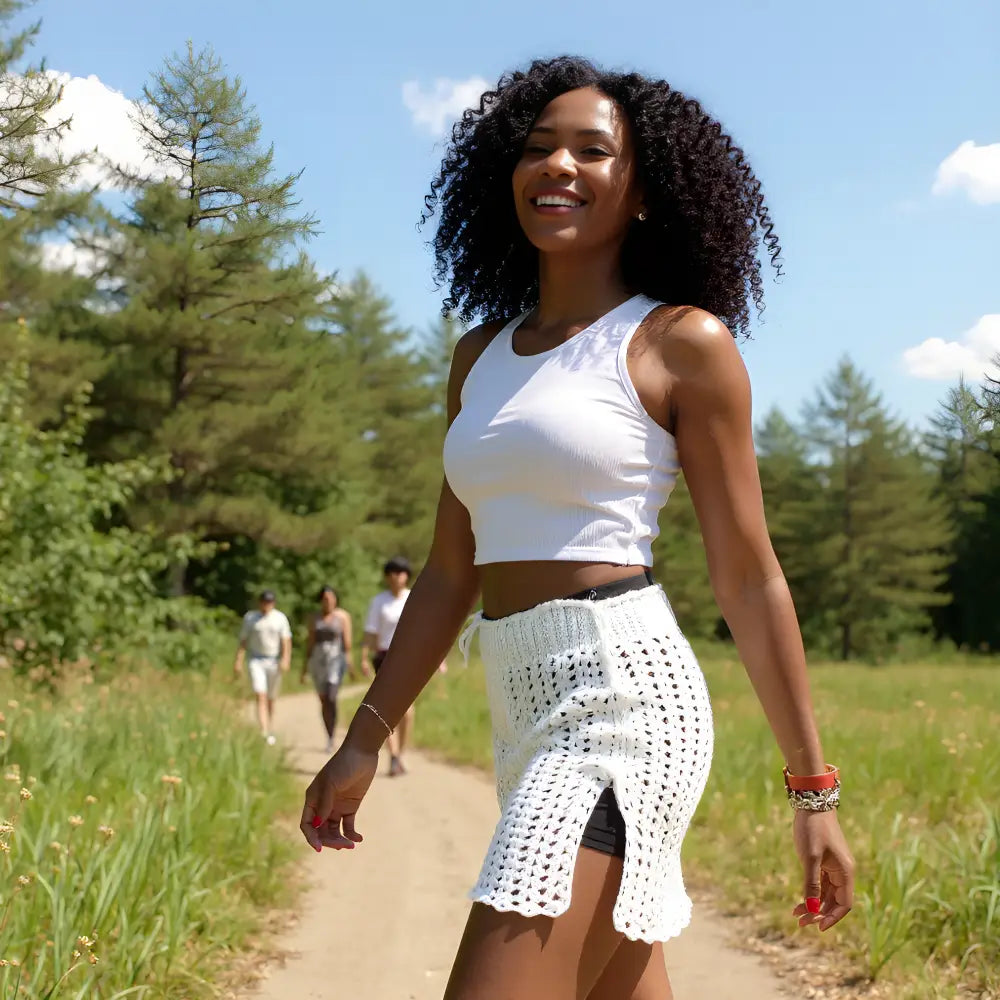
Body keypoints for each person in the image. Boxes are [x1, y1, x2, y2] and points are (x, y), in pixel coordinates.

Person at [302, 56, 854, 1000]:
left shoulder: (681, 344)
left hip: (623, 704)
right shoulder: (480, 355)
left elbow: (749, 576)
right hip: (520, 708)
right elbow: (447, 572)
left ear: (643, 192)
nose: (557, 165)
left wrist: (813, 792)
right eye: (538, 148)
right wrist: (364, 735)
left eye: (593, 151)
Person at [360, 556, 447, 776]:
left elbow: (428, 629)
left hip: (410, 656)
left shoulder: (414, 598)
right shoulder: (379, 602)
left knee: (407, 711)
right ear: (387, 576)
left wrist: (439, 658)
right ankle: (393, 755)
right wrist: (363, 657)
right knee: (387, 710)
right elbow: (371, 633)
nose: (396, 577)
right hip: (385, 657)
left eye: (400, 573)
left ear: (407, 576)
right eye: (392, 573)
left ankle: (401, 753)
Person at [233, 589, 292, 745]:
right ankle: (263, 730)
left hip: (273, 661)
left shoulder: (279, 618)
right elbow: (243, 641)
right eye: (265, 602)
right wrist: (238, 660)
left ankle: (269, 726)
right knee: (260, 694)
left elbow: (286, 640)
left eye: (270, 602)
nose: (267, 605)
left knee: (271, 698)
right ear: (260, 603)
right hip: (256, 660)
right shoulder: (251, 618)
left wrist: (286, 659)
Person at [301, 585, 353, 753]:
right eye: (325, 599)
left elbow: (347, 644)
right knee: (324, 699)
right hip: (318, 660)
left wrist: (350, 665)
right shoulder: (314, 618)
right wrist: (304, 669)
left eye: (331, 598)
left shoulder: (343, 617)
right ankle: (329, 735)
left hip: (335, 659)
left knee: (331, 696)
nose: (328, 602)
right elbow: (310, 642)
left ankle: (334, 733)